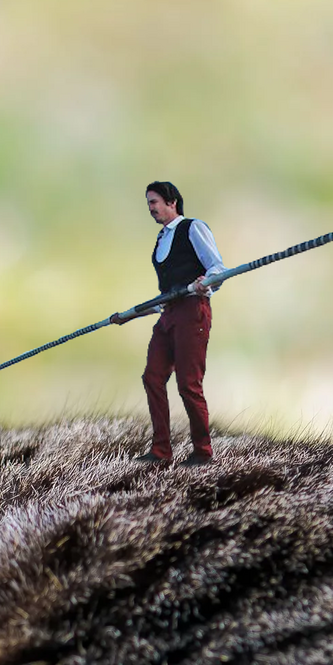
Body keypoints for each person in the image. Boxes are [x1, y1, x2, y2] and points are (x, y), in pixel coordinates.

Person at [137, 180, 223, 466]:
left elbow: (217, 268)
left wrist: (206, 283)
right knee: (152, 376)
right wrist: (135, 313)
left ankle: (202, 452)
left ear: (171, 202)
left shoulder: (192, 228)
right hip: (169, 313)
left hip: (192, 311)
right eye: (148, 203)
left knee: (188, 384)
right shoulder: (161, 239)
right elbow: (167, 290)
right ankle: (161, 450)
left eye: (154, 202)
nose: (150, 208)